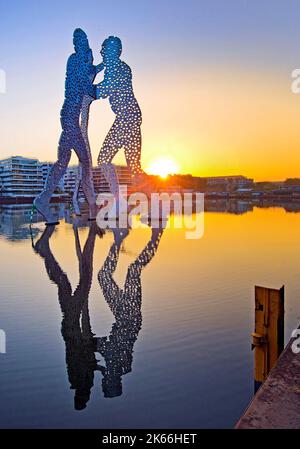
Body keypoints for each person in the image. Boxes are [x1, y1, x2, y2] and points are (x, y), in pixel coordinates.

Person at [34, 29, 101, 224]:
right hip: (70, 118)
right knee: (85, 162)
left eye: (85, 41)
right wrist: (101, 88)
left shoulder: (78, 62)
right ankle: (91, 207)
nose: (85, 45)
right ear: (78, 45)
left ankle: (44, 199)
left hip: (68, 117)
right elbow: (86, 85)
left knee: (63, 161)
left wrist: (101, 66)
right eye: (82, 42)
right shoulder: (75, 60)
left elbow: (91, 71)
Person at [95, 36, 145, 207]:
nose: (101, 52)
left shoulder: (118, 68)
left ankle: (118, 201)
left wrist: (85, 89)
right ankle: (156, 203)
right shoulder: (118, 67)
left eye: (105, 49)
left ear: (115, 52)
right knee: (135, 167)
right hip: (131, 117)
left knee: (103, 158)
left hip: (126, 117)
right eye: (102, 49)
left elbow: (106, 89)